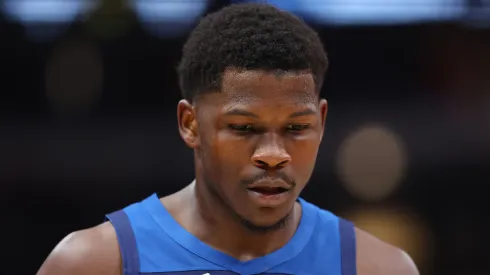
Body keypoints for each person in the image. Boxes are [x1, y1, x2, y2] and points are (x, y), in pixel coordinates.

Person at [37, 3, 419, 275]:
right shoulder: (93, 263)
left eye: (295, 128)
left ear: (320, 122)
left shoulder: (379, 268)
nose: (273, 155)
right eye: (244, 128)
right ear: (190, 124)